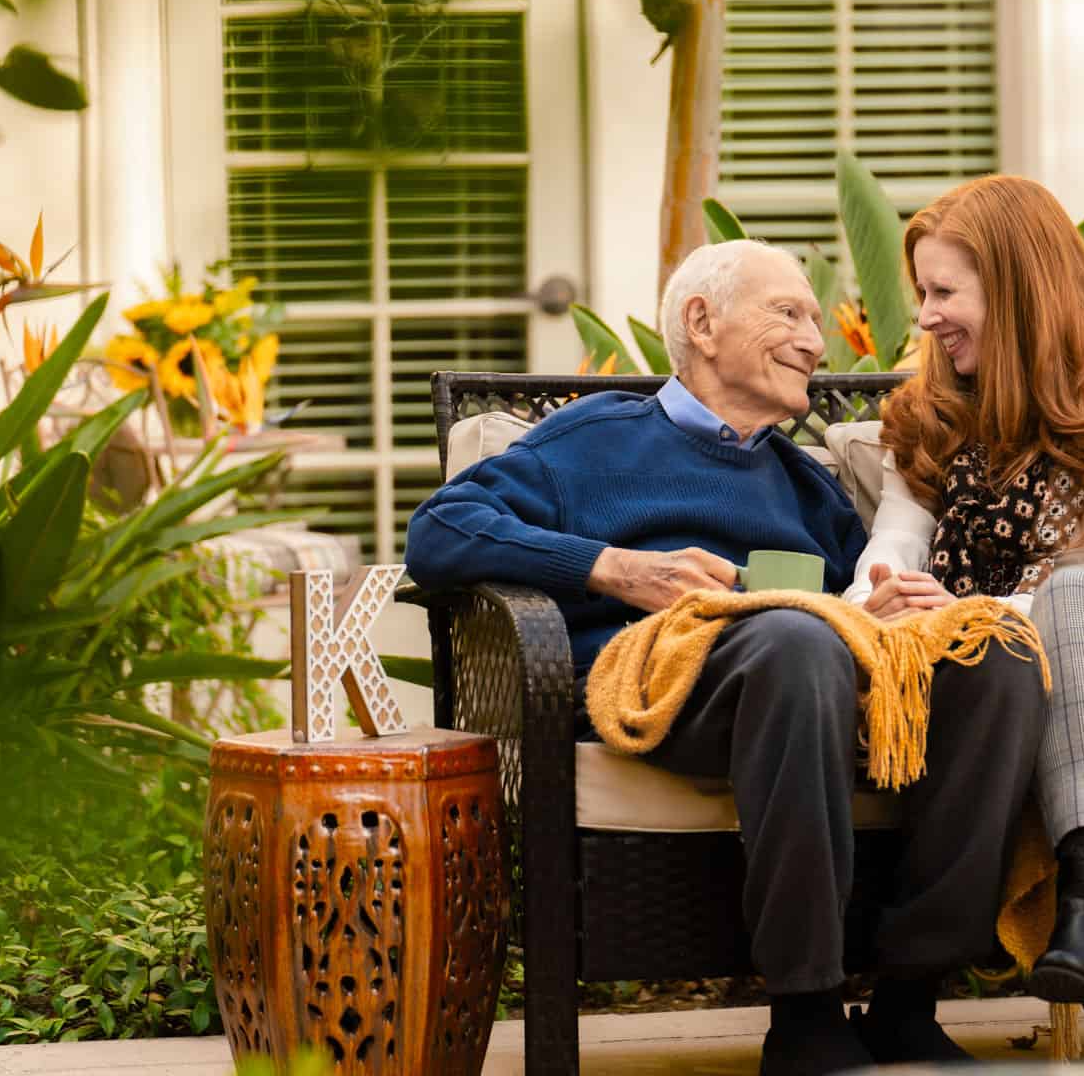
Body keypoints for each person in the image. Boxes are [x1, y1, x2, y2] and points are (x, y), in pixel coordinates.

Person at [406, 238, 1048, 1076]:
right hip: (658, 686)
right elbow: (437, 532)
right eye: (789, 312)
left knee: (992, 660)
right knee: (795, 639)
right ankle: (806, 1015)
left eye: (817, 321)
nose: (816, 342)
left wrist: (882, 610)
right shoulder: (591, 442)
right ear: (702, 324)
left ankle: (908, 1001)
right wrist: (616, 568)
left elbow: (859, 614)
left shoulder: (808, 488)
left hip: (805, 684)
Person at [844, 176, 1084, 1074]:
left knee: (1082, 602)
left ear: (1017, 288)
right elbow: (892, 547)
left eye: (946, 294)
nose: (930, 318)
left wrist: (974, 612)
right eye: (924, 296)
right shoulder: (926, 421)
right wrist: (883, 592)